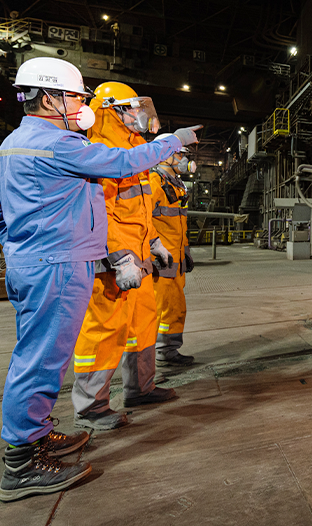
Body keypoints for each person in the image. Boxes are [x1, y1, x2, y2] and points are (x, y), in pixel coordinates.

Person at [0, 57, 201, 502]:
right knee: (40, 363)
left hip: (37, 262)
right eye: (75, 96)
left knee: (37, 357)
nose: (81, 104)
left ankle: (36, 439)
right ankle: (22, 466)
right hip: (57, 266)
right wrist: (171, 140)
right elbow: (124, 163)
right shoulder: (59, 144)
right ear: (47, 98)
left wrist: (21, 242)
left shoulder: (11, 145)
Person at [71, 82, 188, 430]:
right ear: (111, 110)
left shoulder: (134, 152)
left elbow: (138, 211)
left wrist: (154, 243)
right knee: (103, 331)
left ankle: (140, 388)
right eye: (131, 108)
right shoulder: (99, 152)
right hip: (111, 265)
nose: (139, 115)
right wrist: (118, 257)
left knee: (141, 327)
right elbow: (97, 214)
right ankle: (91, 407)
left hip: (138, 262)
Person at [148, 137, 196, 366]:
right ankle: (155, 355)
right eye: (178, 154)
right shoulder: (154, 180)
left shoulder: (176, 184)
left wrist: (185, 251)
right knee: (161, 308)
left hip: (175, 258)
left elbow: (180, 223)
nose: (182, 159)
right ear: (165, 155)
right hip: (162, 258)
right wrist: (154, 249)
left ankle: (169, 351)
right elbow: (143, 219)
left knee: (176, 306)